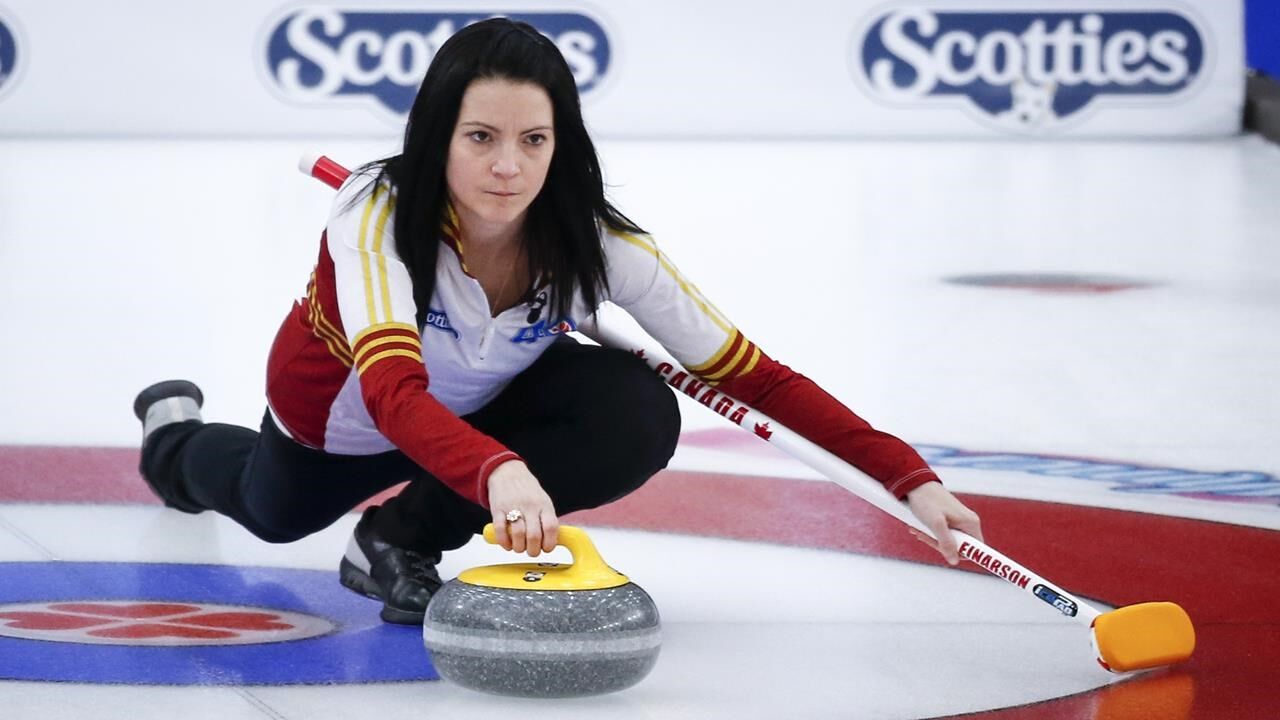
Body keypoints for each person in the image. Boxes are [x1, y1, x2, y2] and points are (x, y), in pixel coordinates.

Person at [134, 18, 982, 625]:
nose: (508, 167)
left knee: (636, 407)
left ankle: (395, 538)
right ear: (438, 138)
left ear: (560, 142)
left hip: (469, 415)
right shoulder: (376, 217)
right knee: (268, 509)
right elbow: (393, 393)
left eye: (534, 140)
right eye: (481, 137)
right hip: (345, 421)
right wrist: (499, 472)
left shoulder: (600, 244)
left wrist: (907, 476)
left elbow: (750, 375)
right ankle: (173, 438)